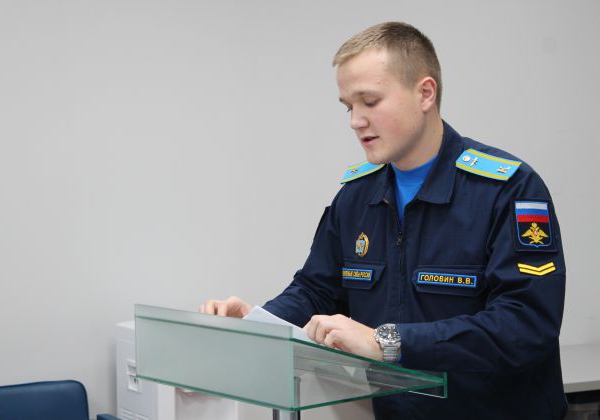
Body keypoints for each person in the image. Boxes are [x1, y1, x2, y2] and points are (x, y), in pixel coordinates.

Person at [200, 22, 567, 419]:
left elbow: (524, 326)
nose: (355, 121)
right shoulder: (357, 195)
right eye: (348, 106)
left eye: (370, 101)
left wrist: (388, 342)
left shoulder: (507, 190)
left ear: (425, 93)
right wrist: (259, 323)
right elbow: (317, 290)